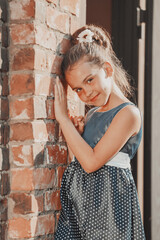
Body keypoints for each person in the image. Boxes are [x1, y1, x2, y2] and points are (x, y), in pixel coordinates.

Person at [54, 24, 146, 239]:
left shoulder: (128, 114)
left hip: (109, 206)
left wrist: (63, 119)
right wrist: (76, 133)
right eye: (78, 89)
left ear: (107, 69)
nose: (86, 93)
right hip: (81, 202)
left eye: (89, 80)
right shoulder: (92, 114)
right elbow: (80, 160)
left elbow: (92, 163)